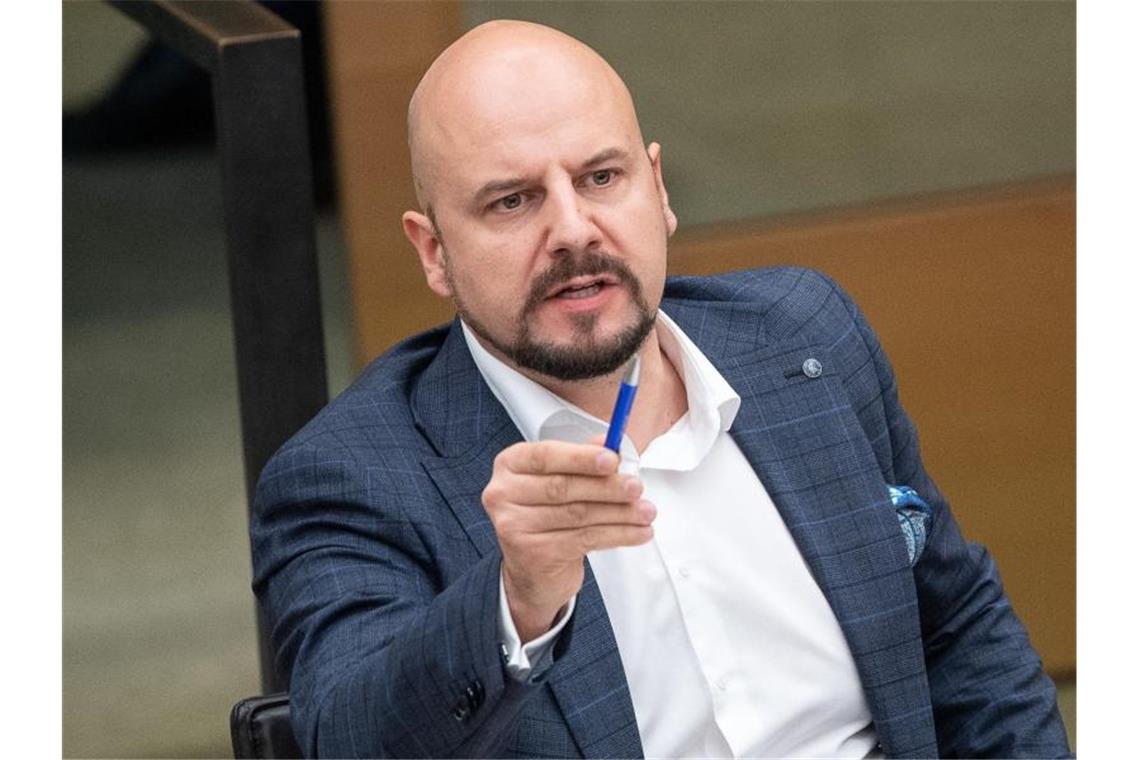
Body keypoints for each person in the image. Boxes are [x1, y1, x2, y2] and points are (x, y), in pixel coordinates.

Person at [251, 20, 1071, 759]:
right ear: (433, 251)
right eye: (513, 200)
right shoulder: (350, 475)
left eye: (601, 178)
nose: (573, 229)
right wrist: (517, 600)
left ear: (658, 188)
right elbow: (347, 738)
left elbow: (958, 631)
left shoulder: (806, 336)